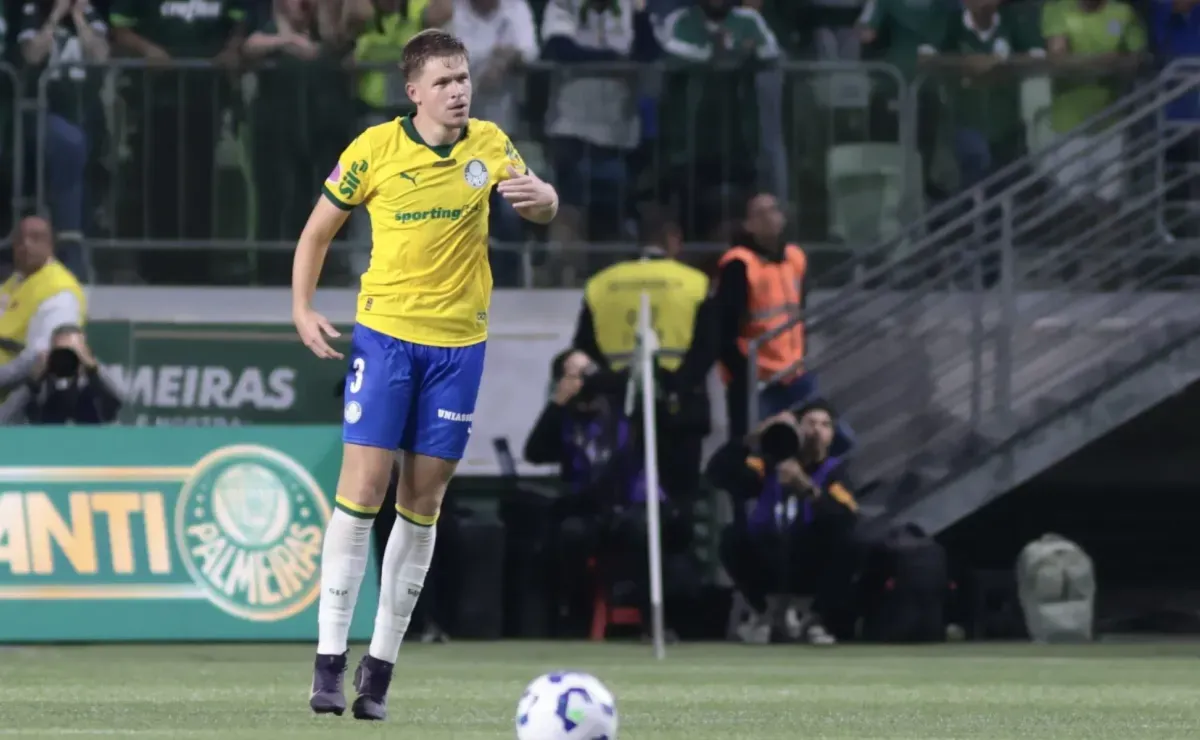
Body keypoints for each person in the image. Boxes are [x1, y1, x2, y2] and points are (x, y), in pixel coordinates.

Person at [291, 29, 558, 721]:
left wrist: (542, 199)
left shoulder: (489, 144)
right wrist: (301, 309)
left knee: (424, 502)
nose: (460, 89)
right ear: (413, 92)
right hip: (385, 338)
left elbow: (541, 206)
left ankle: (377, 676)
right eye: (444, 81)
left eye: (464, 77)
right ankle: (327, 665)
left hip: (459, 348)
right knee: (364, 487)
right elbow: (317, 232)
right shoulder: (373, 149)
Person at [708, 400, 861, 644]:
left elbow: (848, 515)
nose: (816, 431)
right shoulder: (768, 463)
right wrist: (754, 437)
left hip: (810, 558)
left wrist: (807, 488)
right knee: (731, 537)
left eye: (825, 425)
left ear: (832, 435)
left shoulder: (835, 472)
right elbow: (718, 474)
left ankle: (816, 619)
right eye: (810, 423)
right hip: (768, 555)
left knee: (850, 541)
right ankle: (763, 613)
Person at [0, 216, 87, 399]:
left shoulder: (59, 290)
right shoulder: (14, 282)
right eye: (20, 239)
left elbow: (39, 357)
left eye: (36, 237)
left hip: (21, 402)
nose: (26, 245)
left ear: (50, 244)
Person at [0, 324, 123, 425]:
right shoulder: (40, 376)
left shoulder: (93, 373)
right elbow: (4, 417)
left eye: (72, 352)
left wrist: (93, 372)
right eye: (60, 352)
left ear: (85, 351)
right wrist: (32, 383)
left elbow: (116, 405)